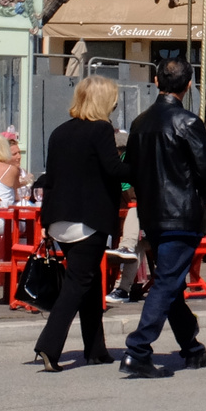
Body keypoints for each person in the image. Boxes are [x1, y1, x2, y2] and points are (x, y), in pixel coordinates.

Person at [121, 59, 206, 378]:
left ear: (156, 80)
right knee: (167, 282)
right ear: (189, 85)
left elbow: (130, 171)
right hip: (181, 214)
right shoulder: (188, 122)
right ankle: (138, 349)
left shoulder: (139, 123)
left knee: (171, 282)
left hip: (152, 214)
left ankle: (191, 347)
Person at [33, 77, 128, 373]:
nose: (115, 103)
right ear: (103, 101)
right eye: (113, 98)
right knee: (77, 285)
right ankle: (49, 345)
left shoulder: (60, 132)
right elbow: (115, 171)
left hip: (59, 220)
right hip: (89, 219)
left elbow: (52, 177)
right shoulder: (100, 129)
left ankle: (96, 349)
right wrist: (139, 161)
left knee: (89, 283)